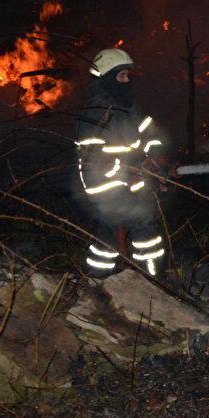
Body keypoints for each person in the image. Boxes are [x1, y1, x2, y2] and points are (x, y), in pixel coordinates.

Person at [74, 48, 168, 277]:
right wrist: (125, 170)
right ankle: (151, 279)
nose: (127, 81)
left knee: (108, 234)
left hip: (130, 179)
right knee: (142, 221)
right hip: (105, 185)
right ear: (106, 77)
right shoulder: (95, 111)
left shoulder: (129, 105)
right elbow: (92, 157)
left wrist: (155, 156)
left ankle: (98, 279)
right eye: (122, 76)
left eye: (128, 75)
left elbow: (149, 131)